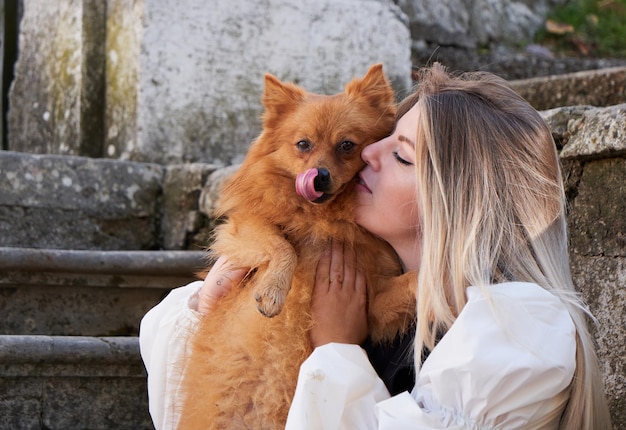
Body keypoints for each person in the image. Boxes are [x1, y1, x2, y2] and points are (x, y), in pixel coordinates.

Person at [139, 63, 613, 429]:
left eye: (400, 154)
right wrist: (209, 303)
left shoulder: (513, 325)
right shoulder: (349, 278)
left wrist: (336, 349)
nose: (367, 153)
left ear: (456, 200)